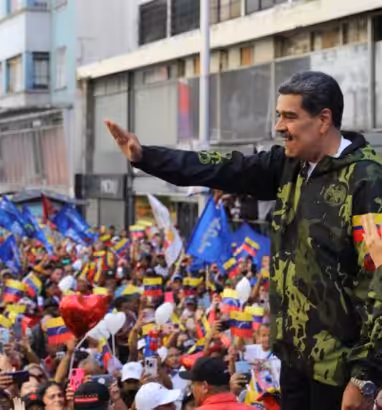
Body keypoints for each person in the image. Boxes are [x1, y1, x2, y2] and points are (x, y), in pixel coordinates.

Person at [106, 70, 382, 410]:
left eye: (290, 116)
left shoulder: (367, 180)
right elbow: (221, 167)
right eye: (278, 115)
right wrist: (145, 157)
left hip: (340, 370)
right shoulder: (287, 165)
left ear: (324, 120)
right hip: (294, 360)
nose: (279, 126)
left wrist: (366, 376)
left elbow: (379, 281)